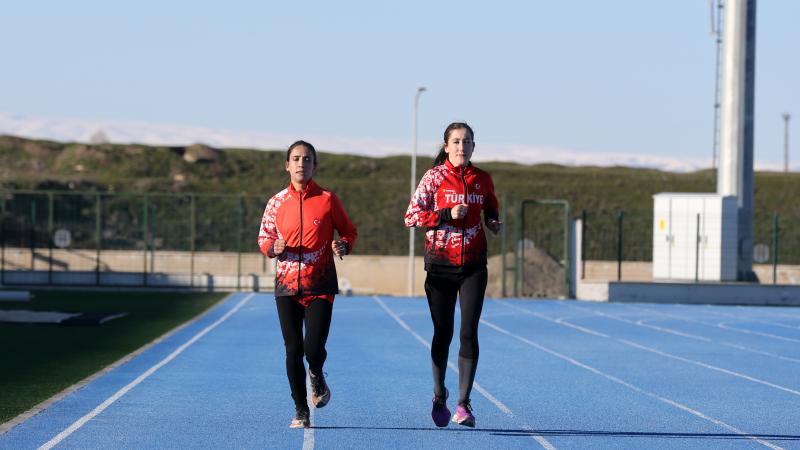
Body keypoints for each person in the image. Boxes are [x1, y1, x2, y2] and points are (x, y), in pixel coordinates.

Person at [404, 122, 502, 428]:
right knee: (443, 333)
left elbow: (491, 209)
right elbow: (411, 216)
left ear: (474, 146)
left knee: (469, 331)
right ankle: (439, 394)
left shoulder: (482, 179)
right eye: (456, 142)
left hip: (473, 266)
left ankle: (463, 403)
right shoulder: (434, 178)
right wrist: (446, 214)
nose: (462, 147)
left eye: (467, 142)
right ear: (446, 146)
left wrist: (493, 222)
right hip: (440, 268)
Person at [258, 140, 357, 429]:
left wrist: (344, 245)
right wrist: (272, 247)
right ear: (287, 165)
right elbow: (263, 237)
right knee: (292, 350)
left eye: (307, 159)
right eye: (296, 159)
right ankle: (301, 410)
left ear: (314, 165)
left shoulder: (327, 199)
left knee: (313, 349)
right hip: (286, 285)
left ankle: (317, 373)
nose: (302, 164)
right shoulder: (276, 202)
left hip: (320, 284)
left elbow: (349, 230)